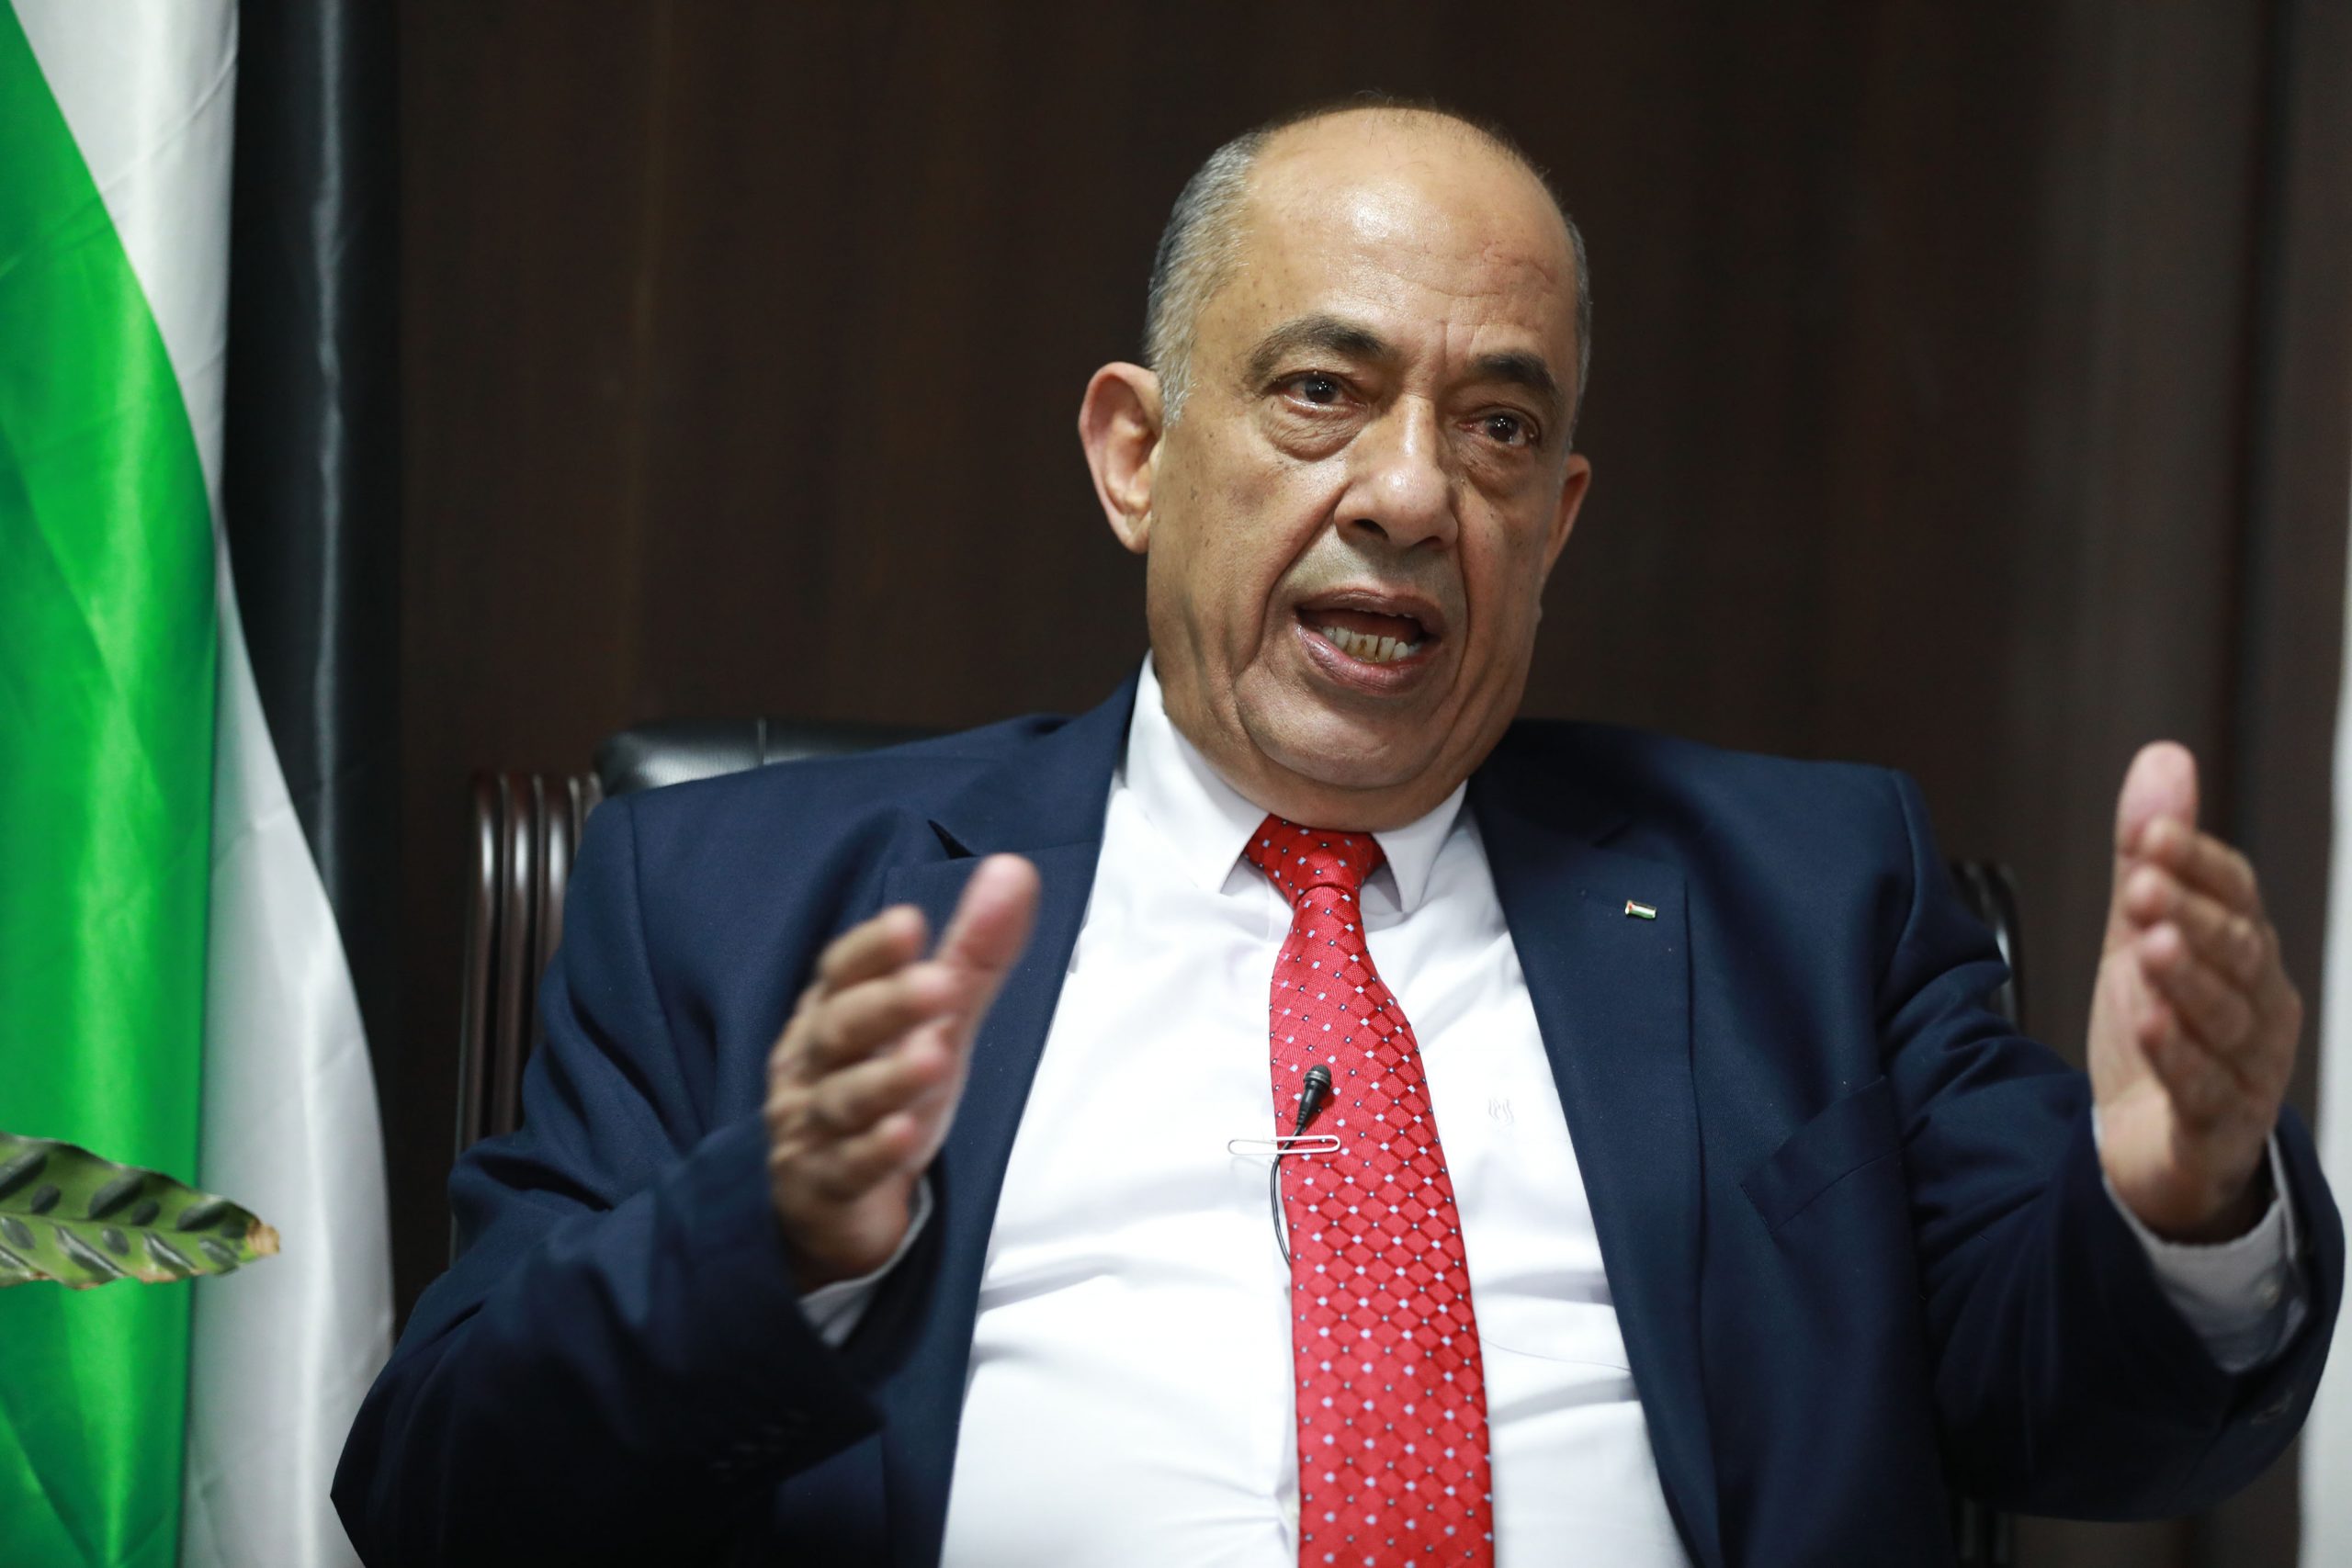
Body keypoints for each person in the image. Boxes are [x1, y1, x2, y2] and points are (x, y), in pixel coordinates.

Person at [334, 101, 2342, 1567]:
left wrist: (2179, 1198)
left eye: (1496, 427)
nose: (1407, 493)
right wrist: (765, 1248)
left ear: (1555, 519)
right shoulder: (734, 901)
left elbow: (2083, 1416)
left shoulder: (1809, 897)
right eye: (1321, 391)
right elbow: (441, 1489)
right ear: (1135, 453)